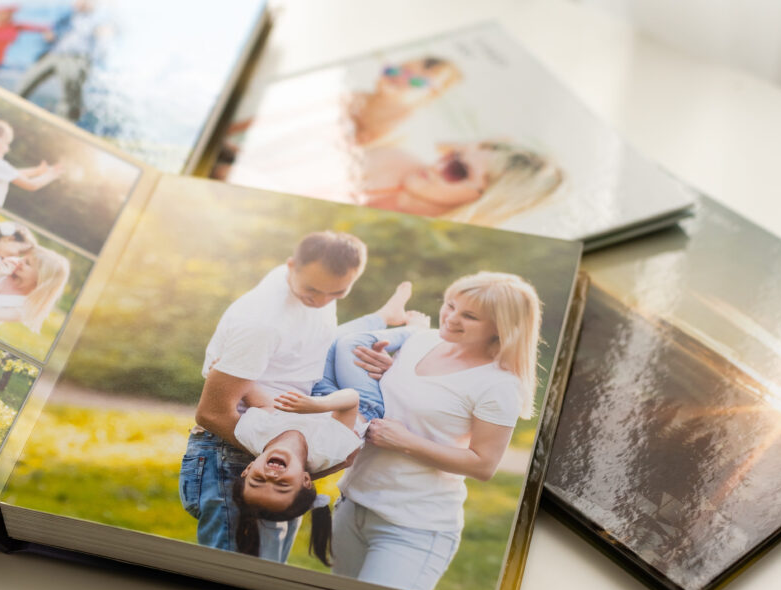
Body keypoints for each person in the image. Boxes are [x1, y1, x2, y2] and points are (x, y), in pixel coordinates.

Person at [180, 231, 406, 563]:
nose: (324, 300)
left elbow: (315, 346)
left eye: (338, 292)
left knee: (271, 567)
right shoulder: (262, 323)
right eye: (313, 290)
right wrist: (296, 461)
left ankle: (385, 317)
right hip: (236, 448)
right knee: (239, 570)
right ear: (290, 267)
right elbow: (212, 413)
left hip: (285, 433)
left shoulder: (315, 280)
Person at [331, 271, 542, 590]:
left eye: (469, 315)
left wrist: (404, 442)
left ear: (500, 328)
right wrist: (388, 373)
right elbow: (414, 398)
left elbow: (483, 464)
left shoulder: (499, 384)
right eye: (450, 305)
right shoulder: (422, 340)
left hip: (413, 527)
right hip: (352, 505)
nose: (452, 317)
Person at [230, 307, 431, 563]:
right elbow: (351, 400)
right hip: (360, 405)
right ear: (305, 479)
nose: (271, 476)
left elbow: (256, 397)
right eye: (282, 485)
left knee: (325, 341)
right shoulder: (327, 450)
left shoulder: (252, 434)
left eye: (258, 481)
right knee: (350, 344)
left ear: (247, 469)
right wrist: (316, 406)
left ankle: (384, 315)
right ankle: (417, 333)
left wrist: (232, 371)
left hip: (320, 395)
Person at [212, 56, 462, 185]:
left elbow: (330, 160)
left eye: (416, 81)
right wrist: (227, 131)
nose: (400, 79)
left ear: (430, 97)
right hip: (268, 150)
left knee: (226, 171)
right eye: (396, 70)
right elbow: (287, 113)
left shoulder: (401, 124)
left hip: (296, 170)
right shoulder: (359, 95)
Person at [361, 140, 563, 226]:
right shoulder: (390, 160)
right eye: (452, 154)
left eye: (457, 170)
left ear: (485, 200)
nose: (436, 166)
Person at [15, 0, 112, 121]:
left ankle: (66, 121)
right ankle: (12, 103)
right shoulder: (68, 15)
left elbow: (105, 34)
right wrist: (50, 36)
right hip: (54, 53)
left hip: (76, 58)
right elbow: (53, 30)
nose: (77, 3)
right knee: (27, 81)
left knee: (70, 94)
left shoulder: (98, 18)